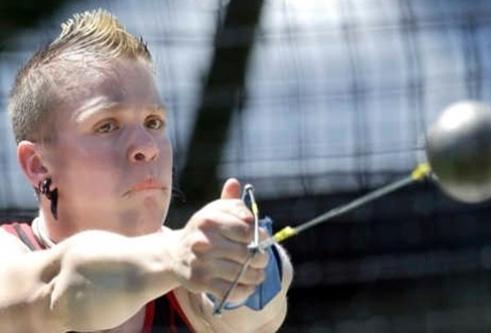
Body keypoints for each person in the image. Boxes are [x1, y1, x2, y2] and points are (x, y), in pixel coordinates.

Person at [0, 9, 292, 333]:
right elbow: (61, 289)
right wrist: (179, 257)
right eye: (106, 125)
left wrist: (254, 268)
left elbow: (254, 316)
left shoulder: (188, 284)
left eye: (153, 123)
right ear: (39, 165)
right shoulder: (9, 256)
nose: (147, 146)